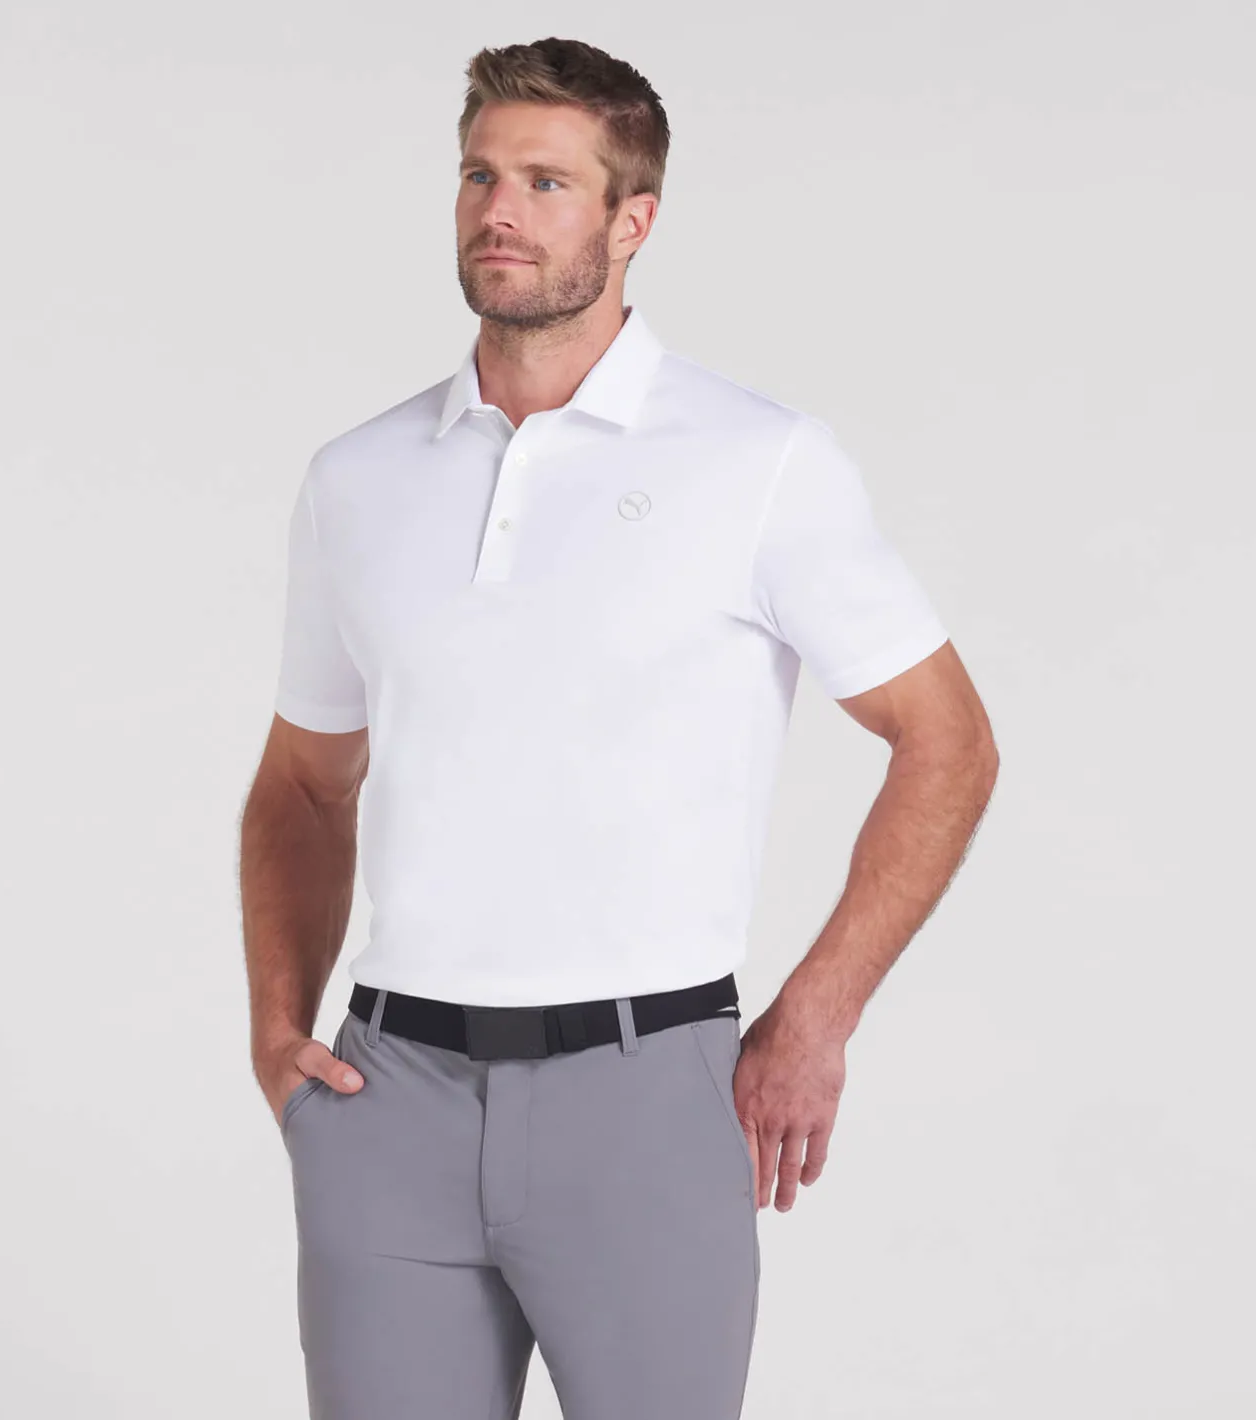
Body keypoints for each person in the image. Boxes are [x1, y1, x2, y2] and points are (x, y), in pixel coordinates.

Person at [239, 35, 998, 1420]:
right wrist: (275, 1027)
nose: (500, 211)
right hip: (386, 1098)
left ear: (632, 220)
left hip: (648, 1095)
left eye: (547, 182)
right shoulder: (358, 479)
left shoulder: (757, 461)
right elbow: (303, 781)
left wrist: (815, 1017)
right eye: (480, 175)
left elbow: (947, 739)